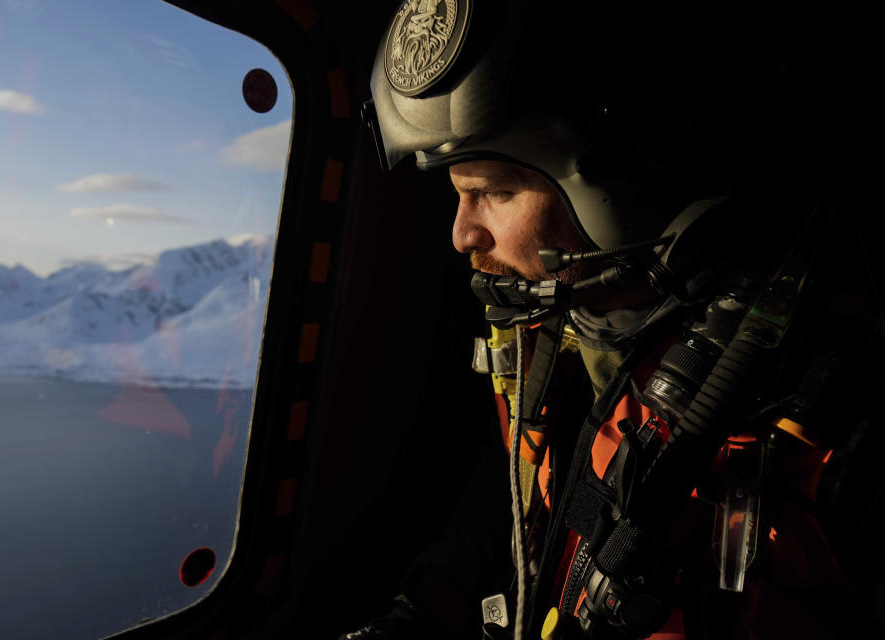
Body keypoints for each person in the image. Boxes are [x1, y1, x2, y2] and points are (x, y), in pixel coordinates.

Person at [343, 1, 883, 638]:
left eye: (494, 190)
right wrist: (417, 617)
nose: (462, 233)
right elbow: (513, 507)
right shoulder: (557, 334)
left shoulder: (833, 400)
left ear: (616, 184)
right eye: (457, 193)